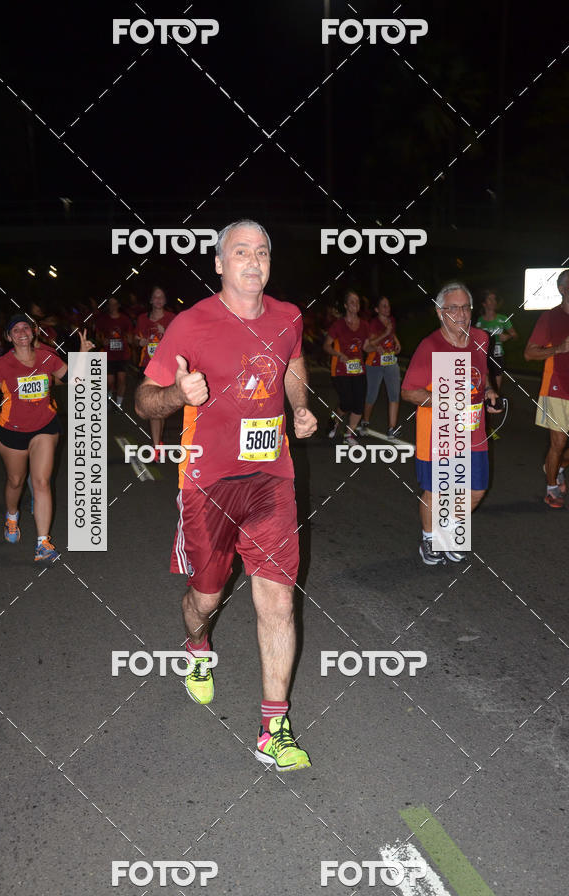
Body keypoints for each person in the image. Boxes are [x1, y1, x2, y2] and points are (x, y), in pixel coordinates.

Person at [135, 219, 317, 771]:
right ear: (219, 263)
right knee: (207, 596)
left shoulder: (288, 318)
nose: (253, 261)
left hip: (271, 478)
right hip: (208, 484)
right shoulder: (192, 324)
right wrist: (175, 393)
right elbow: (144, 399)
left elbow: (293, 365)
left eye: (262, 251)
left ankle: (273, 727)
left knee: (279, 598)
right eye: (241, 252)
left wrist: (301, 406)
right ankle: (196, 644)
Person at [0, 315, 93, 561]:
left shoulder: (47, 357)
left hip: (44, 427)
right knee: (16, 481)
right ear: (8, 337)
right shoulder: (2, 364)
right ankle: (12, 516)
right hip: (11, 432)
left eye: (25, 327)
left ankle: (43, 544)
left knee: (41, 482)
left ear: (33, 332)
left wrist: (83, 353)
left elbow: (77, 381)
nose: (21, 332)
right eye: (15, 329)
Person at [401, 282, 502, 566]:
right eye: (453, 308)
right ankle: (430, 538)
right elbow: (409, 391)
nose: (460, 313)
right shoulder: (431, 346)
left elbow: (481, 377)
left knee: (476, 489)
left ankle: (448, 532)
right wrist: (445, 401)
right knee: (438, 491)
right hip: (440, 432)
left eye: (465, 307)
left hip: (474, 432)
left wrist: (490, 392)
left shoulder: (481, 338)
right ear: (439, 312)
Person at [524, 269, 569, 508]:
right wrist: (558, 348)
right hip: (557, 387)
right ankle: (552, 488)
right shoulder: (550, 318)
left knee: (562, 451)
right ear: (562, 289)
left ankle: (558, 465)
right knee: (559, 443)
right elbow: (530, 353)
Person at [323, 290, 370, 444]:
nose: (355, 305)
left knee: (358, 404)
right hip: (340, 370)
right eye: (352, 302)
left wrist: (377, 348)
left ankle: (348, 435)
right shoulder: (338, 325)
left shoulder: (364, 325)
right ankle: (333, 420)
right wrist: (339, 354)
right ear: (345, 305)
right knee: (346, 403)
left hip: (358, 370)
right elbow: (326, 346)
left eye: (357, 302)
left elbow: (366, 347)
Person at [135, 287, 176, 460]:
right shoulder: (142, 319)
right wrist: (140, 341)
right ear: (151, 300)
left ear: (165, 300)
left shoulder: (171, 318)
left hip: (165, 366)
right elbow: (136, 339)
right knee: (153, 408)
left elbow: (178, 342)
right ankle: (156, 444)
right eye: (155, 297)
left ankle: (157, 444)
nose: (158, 300)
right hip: (147, 365)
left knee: (159, 407)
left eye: (161, 297)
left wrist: (166, 333)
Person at [357, 295, 402, 437]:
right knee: (371, 395)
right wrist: (386, 333)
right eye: (383, 306)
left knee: (394, 395)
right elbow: (369, 343)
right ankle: (365, 422)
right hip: (374, 364)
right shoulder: (373, 323)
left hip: (390, 362)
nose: (387, 308)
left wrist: (396, 341)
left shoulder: (391, 320)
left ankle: (392, 429)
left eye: (388, 305)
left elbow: (392, 334)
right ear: (376, 309)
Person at [475, 290, 518, 393]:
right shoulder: (479, 321)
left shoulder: (503, 318)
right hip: (483, 357)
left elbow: (515, 335)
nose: (494, 301)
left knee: (496, 389)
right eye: (490, 299)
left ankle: (493, 404)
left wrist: (508, 337)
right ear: (484, 304)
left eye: (494, 299)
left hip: (498, 356)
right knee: (482, 385)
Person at [95, 297, 132, 410]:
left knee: (121, 380)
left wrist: (128, 339)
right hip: (108, 355)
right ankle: (108, 398)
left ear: (118, 305)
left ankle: (119, 404)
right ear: (108, 306)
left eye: (115, 304)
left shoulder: (125, 319)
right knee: (109, 382)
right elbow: (97, 334)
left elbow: (130, 335)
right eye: (110, 304)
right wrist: (102, 340)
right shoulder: (103, 320)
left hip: (122, 355)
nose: (113, 306)